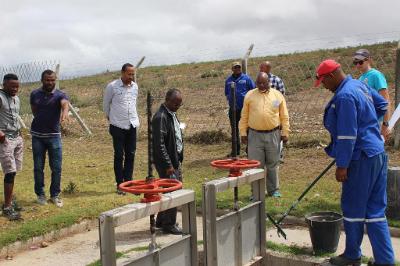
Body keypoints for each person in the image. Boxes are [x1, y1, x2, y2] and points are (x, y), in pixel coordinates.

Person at [315, 59, 395, 266]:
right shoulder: (359, 85)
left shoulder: (345, 96)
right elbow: (382, 104)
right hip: (376, 153)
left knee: (352, 208)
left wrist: (342, 165)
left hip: (360, 158)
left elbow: (347, 136)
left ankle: (352, 254)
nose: (324, 86)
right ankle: (385, 260)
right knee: (376, 210)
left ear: (332, 76)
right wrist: (369, 126)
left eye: (324, 81)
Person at [239, 72, 289, 198]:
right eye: (259, 83)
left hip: (273, 134)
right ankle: (256, 192)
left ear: (269, 83)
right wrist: (243, 132)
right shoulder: (250, 96)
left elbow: (284, 116)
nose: (261, 85)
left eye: (264, 83)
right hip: (254, 136)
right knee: (255, 165)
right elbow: (244, 116)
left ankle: (273, 190)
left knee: (273, 164)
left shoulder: (277, 95)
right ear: (256, 83)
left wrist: (285, 132)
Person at [30, 70, 69, 207]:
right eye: (47, 80)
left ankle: (55, 195)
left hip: (54, 137)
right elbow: (34, 110)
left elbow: (65, 104)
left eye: (52, 80)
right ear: (42, 80)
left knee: (57, 168)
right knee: (38, 167)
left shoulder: (60, 94)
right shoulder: (34, 94)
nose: (50, 82)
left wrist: (64, 114)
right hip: (37, 137)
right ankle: (40, 195)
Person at [103, 63, 139, 195]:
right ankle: (120, 184)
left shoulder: (135, 86)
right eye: (129, 74)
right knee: (119, 155)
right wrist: (110, 118)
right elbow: (106, 104)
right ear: (122, 73)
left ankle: (128, 182)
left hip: (132, 124)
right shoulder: (112, 86)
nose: (131, 76)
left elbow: (134, 103)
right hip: (117, 125)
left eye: (132, 74)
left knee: (131, 154)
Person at [152, 88, 183, 235]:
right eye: (175, 103)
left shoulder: (171, 114)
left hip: (174, 160)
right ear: (167, 100)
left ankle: (161, 220)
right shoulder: (161, 117)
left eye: (179, 104)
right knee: (173, 191)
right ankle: (169, 224)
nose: (177, 106)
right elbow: (159, 144)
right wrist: (168, 165)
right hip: (168, 163)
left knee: (168, 191)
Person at [353, 49, 391, 141]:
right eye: (355, 62)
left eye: (361, 62)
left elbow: (385, 100)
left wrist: (385, 124)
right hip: (367, 120)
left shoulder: (376, 75)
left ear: (369, 60)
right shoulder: (361, 78)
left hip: (377, 120)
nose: (358, 65)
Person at [0, 74, 23, 220]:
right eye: (12, 86)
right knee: (10, 172)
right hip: (5, 139)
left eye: (17, 86)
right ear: (4, 85)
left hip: (17, 137)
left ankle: (9, 202)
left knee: (15, 171)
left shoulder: (17, 98)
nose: (15, 89)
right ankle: (7, 208)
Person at [224, 62, 255, 157]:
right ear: (232, 69)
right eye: (235, 67)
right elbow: (226, 93)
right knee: (234, 130)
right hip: (233, 109)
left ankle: (249, 150)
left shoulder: (247, 78)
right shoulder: (228, 80)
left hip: (245, 109)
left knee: (247, 129)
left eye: (239, 67)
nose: (237, 68)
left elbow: (253, 90)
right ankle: (235, 151)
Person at [259, 61, 286, 163]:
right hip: (262, 112)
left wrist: (272, 107)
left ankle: (279, 154)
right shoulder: (259, 79)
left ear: (268, 69)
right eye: (260, 67)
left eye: (262, 67)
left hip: (275, 111)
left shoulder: (277, 80)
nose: (260, 69)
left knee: (277, 132)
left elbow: (281, 96)